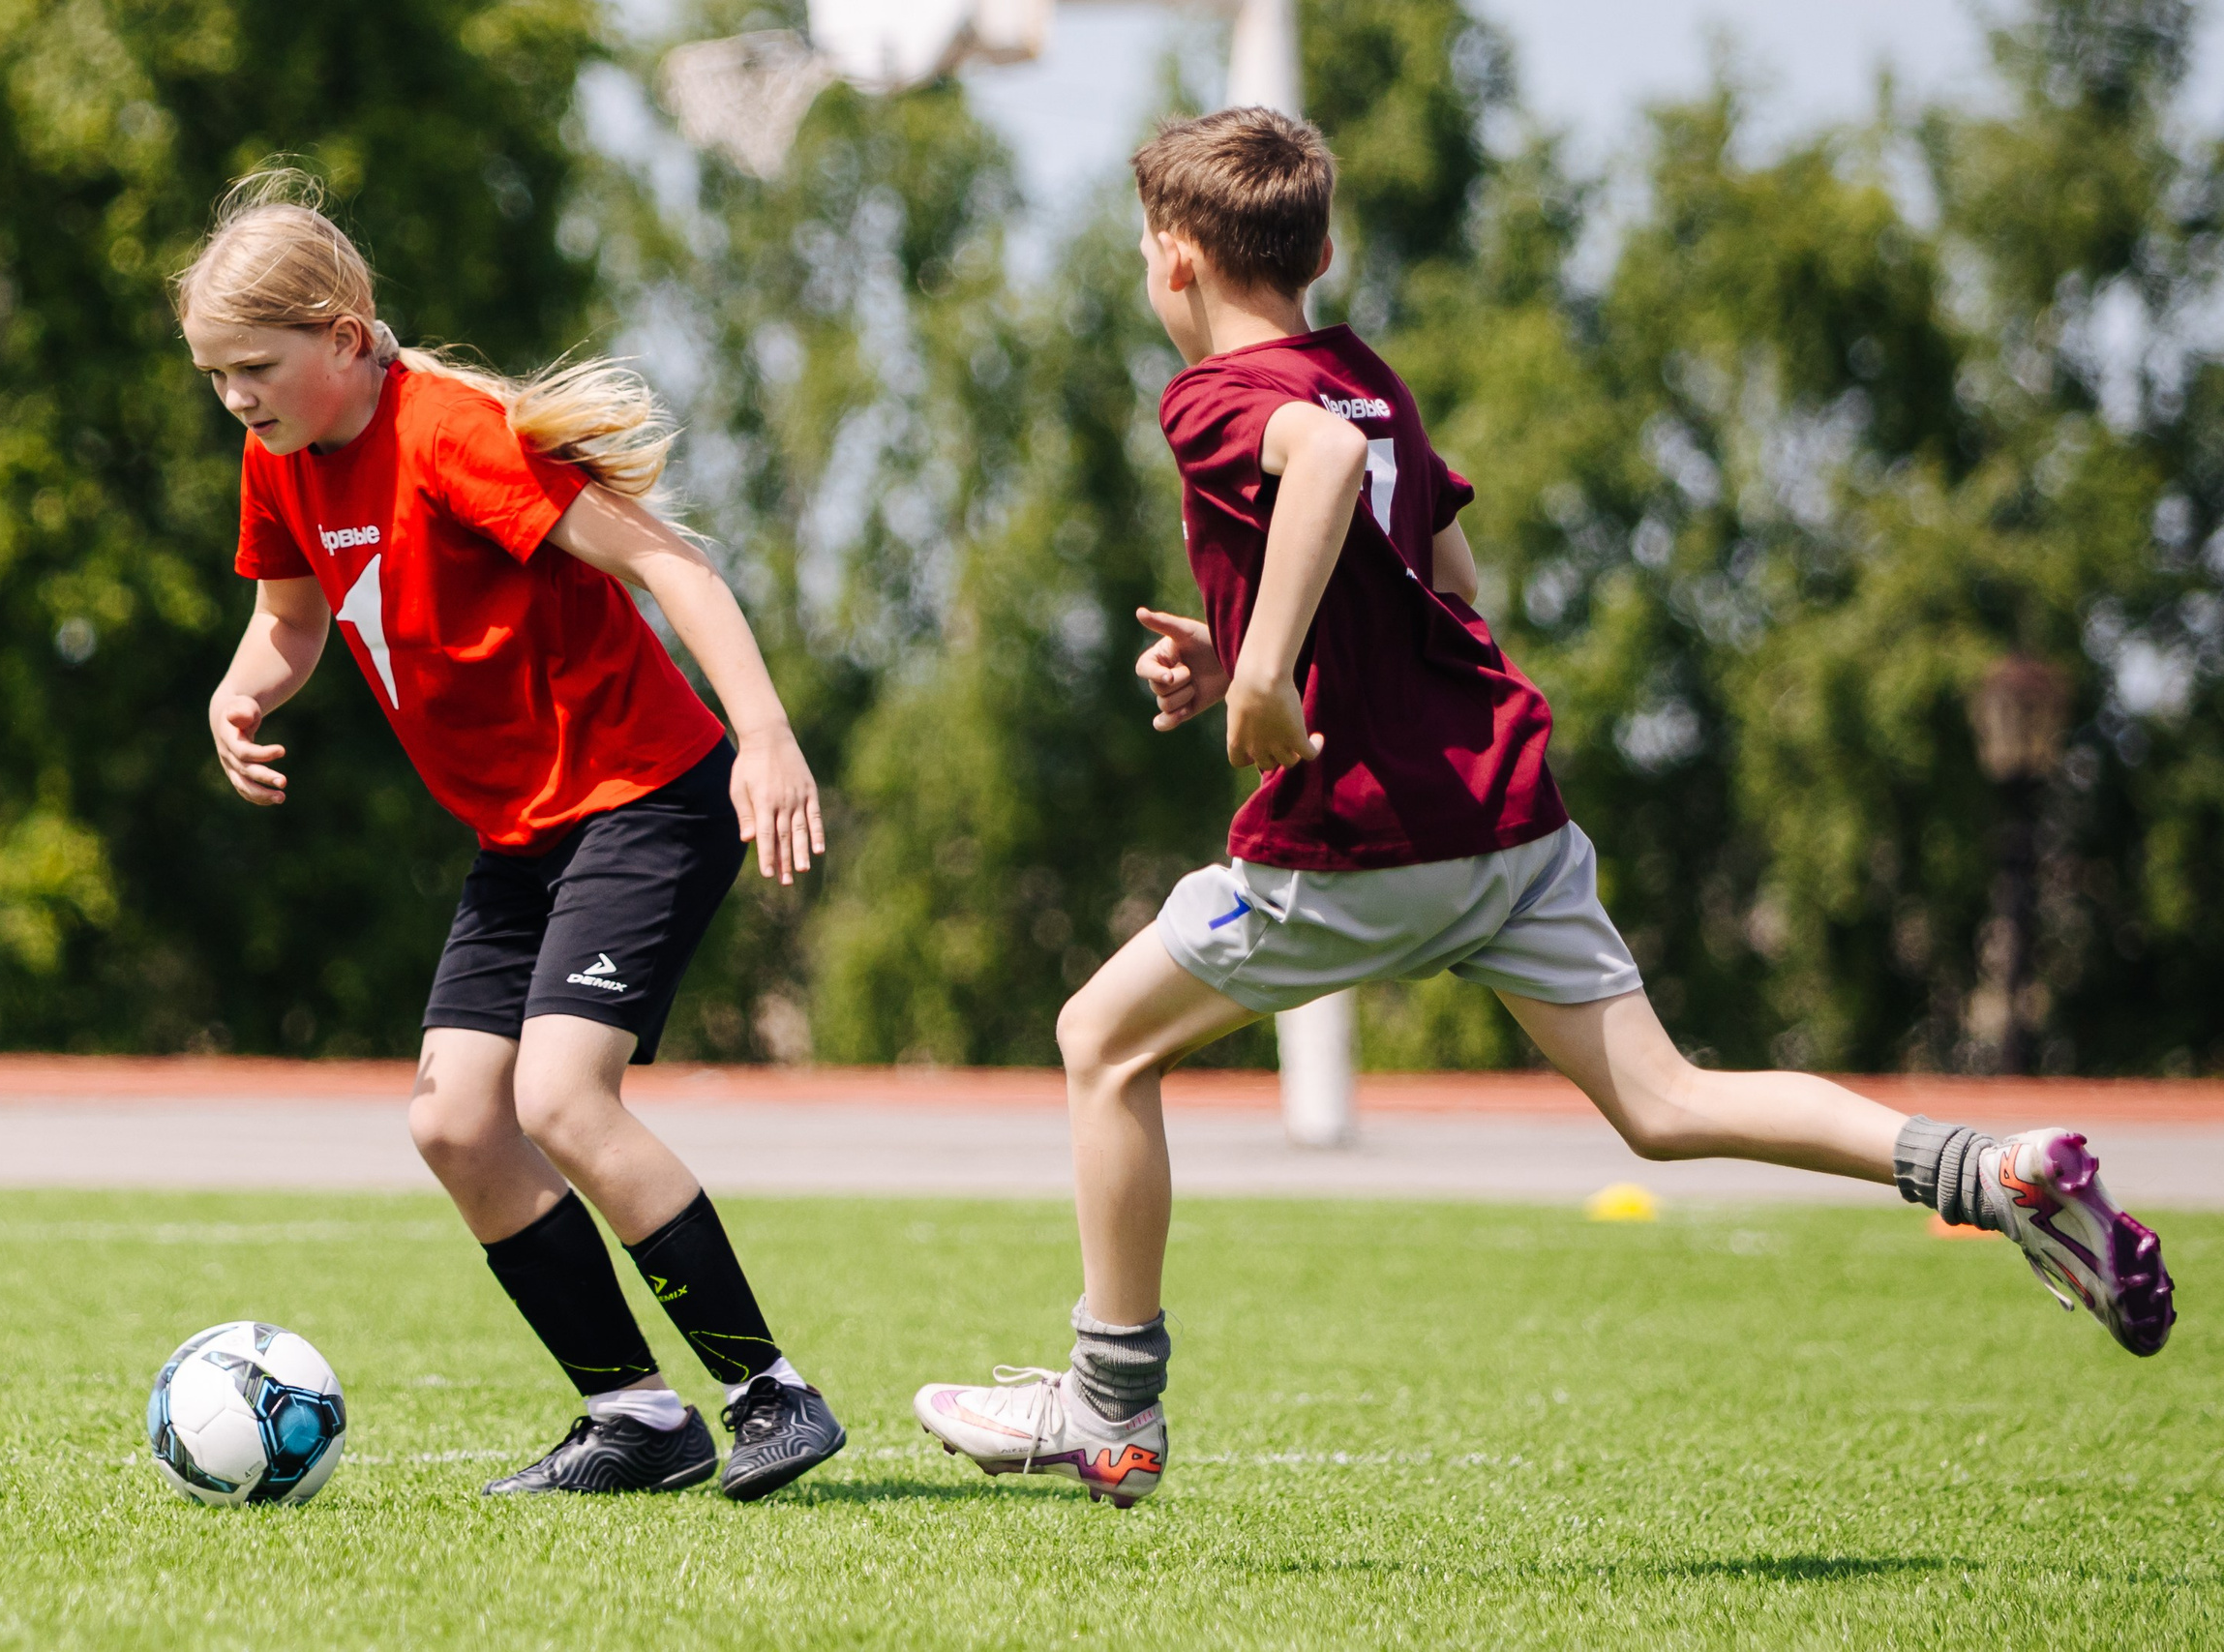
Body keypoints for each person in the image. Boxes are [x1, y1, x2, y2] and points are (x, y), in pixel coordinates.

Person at [910, 108, 2176, 1509]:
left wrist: (1264, 680)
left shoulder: (1214, 395)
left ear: (1173, 259)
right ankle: (1993, 1174)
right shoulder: (1367, 379)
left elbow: (1319, 476)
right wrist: (1250, 643)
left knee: (1099, 1042)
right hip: (1507, 820)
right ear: (1321, 254)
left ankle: (1110, 1410)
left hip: (1365, 837)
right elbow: (1441, 580)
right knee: (1667, 1101)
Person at [182, 172, 845, 1501]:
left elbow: (670, 562)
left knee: (560, 1097)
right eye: (216, 376)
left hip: (648, 796)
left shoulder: (454, 435)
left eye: (256, 367)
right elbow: (292, 620)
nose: (238, 398)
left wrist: (767, 735)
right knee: (455, 1122)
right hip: (524, 839)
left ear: (344, 336)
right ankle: (637, 1419)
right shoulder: (279, 461)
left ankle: (770, 1392)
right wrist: (239, 692)